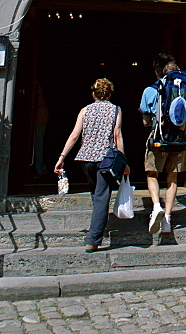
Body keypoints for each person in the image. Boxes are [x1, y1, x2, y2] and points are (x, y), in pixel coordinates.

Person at [54, 78, 129, 252]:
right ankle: (93, 239)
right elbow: (117, 136)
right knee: (102, 197)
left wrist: (62, 156)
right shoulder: (116, 110)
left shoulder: (85, 110)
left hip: (86, 159)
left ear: (93, 93)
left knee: (96, 194)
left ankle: (96, 225)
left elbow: (74, 135)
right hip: (105, 159)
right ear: (109, 93)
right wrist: (123, 160)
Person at [140, 53, 186, 235]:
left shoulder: (150, 90)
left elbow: (145, 121)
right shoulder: (185, 88)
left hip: (159, 138)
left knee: (152, 173)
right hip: (180, 138)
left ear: (158, 71)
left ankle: (156, 207)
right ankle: (168, 217)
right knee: (172, 178)